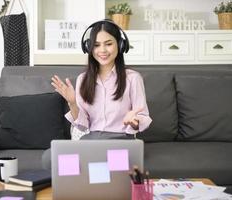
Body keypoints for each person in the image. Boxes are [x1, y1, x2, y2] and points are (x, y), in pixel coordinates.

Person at [42, 19, 152, 169]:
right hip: (92, 140)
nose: (102, 50)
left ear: (120, 45)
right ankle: (79, 189)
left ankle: (97, 184)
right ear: (89, 48)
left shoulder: (133, 78)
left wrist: (133, 121)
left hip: (121, 141)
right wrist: (72, 103)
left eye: (108, 44)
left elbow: (143, 116)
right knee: (50, 157)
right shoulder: (83, 79)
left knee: (107, 164)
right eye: (96, 45)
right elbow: (82, 126)